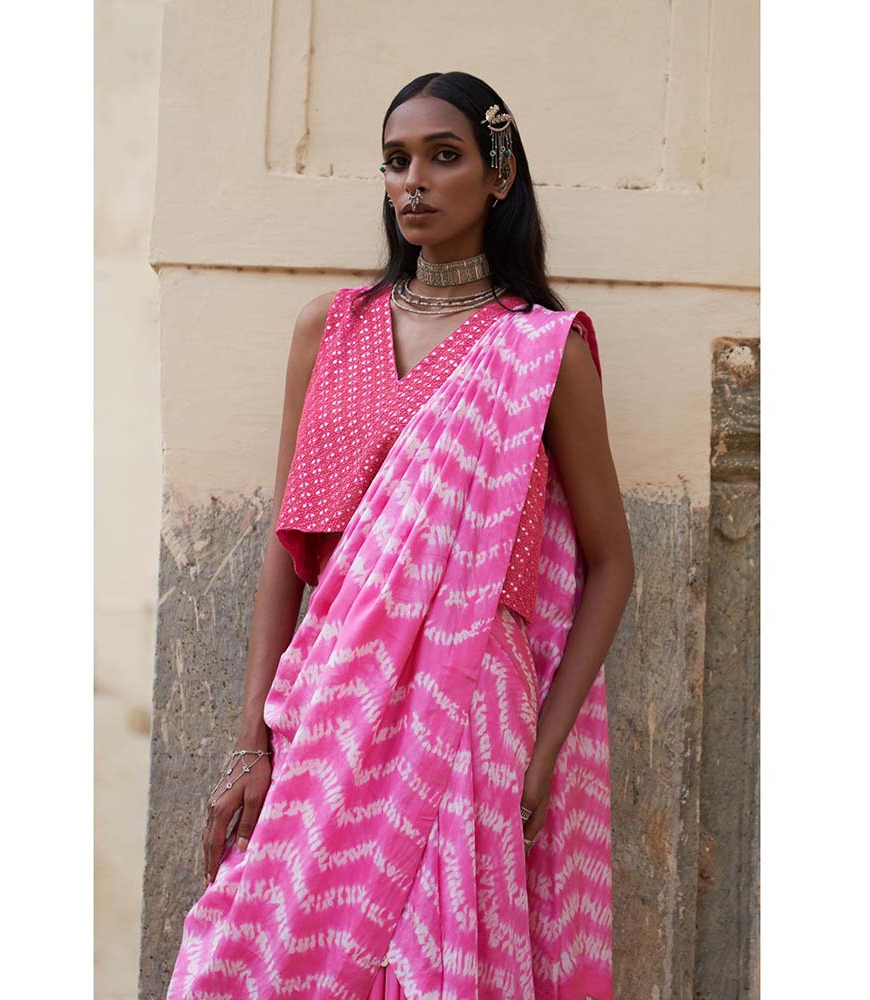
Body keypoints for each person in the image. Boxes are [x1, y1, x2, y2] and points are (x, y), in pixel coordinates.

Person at [165, 71, 634, 1000]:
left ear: (499, 176)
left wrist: (540, 753)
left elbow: (612, 562)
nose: (412, 180)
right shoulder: (330, 329)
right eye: (395, 160)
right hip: (329, 698)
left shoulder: (542, 349)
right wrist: (253, 745)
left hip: (467, 708)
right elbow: (288, 550)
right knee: (263, 947)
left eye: (442, 156)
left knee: (433, 961)